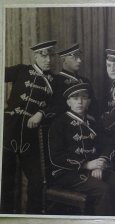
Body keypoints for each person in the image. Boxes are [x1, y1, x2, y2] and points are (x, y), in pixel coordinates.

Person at [48, 83, 115, 215]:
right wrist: (86, 165)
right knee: (104, 190)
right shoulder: (59, 123)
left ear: (89, 102)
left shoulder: (93, 122)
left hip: (95, 168)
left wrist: (101, 163)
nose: (80, 102)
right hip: (68, 174)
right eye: (75, 98)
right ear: (68, 102)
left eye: (84, 97)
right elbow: (56, 157)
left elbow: (107, 144)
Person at [2, 40, 57, 213]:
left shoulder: (54, 81)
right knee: (5, 179)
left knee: (37, 179)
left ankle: (32, 217)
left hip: (31, 136)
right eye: (44, 55)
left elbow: (59, 106)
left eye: (51, 55)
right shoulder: (21, 70)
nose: (48, 59)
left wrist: (41, 113)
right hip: (9, 130)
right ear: (35, 56)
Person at [54, 43, 99, 117]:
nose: (79, 60)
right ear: (63, 59)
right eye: (74, 57)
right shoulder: (56, 81)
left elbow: (94, 107)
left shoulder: (85, 81)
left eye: (79, 57)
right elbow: (57, 109)